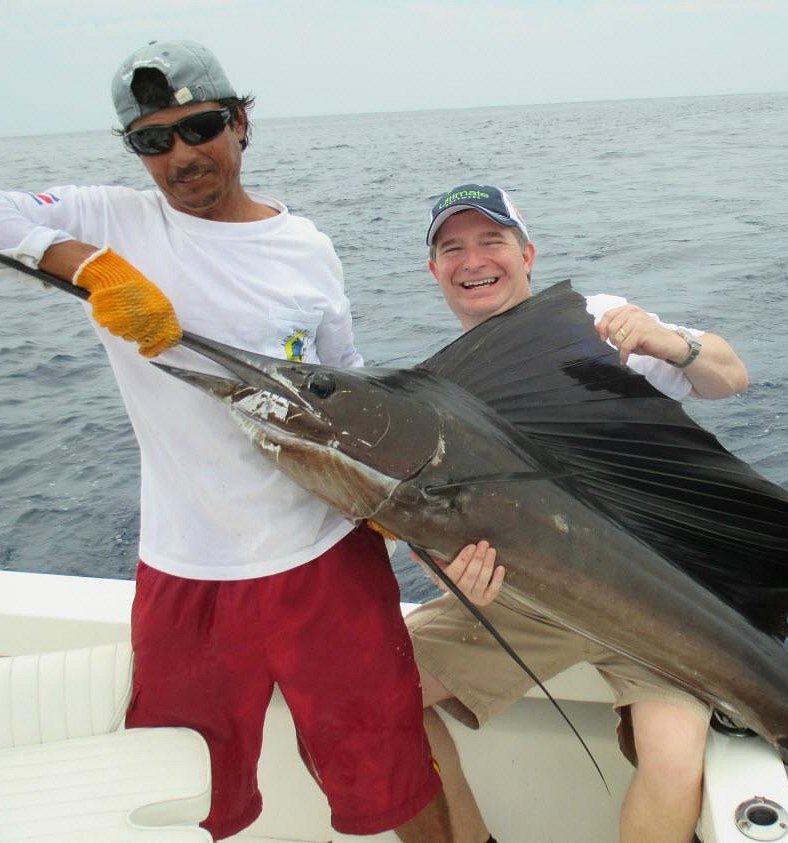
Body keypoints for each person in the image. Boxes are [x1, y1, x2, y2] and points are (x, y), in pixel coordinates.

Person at [0, 41, 451, 842]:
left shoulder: (305, 246)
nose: (180, 154)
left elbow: (345, 377)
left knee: (395, 772)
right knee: (178, 795)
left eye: (200, 126)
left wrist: (387, 497)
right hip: (187, 572)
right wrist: (89, 265)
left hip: (327, 559)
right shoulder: (112, 219)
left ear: (242, 122)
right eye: (152, 140)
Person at [407, 183, 750, 843]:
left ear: (528, 253)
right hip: (524, 594)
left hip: (650, 593)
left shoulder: (598, 321)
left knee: (675, 760)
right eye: (453, 247)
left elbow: (730, 375)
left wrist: (667, 342)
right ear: (434, 271)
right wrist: (449, 567)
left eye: (491, 240)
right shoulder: (440, 390)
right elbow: (429, 522)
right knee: (367, 697)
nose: (473, 259)